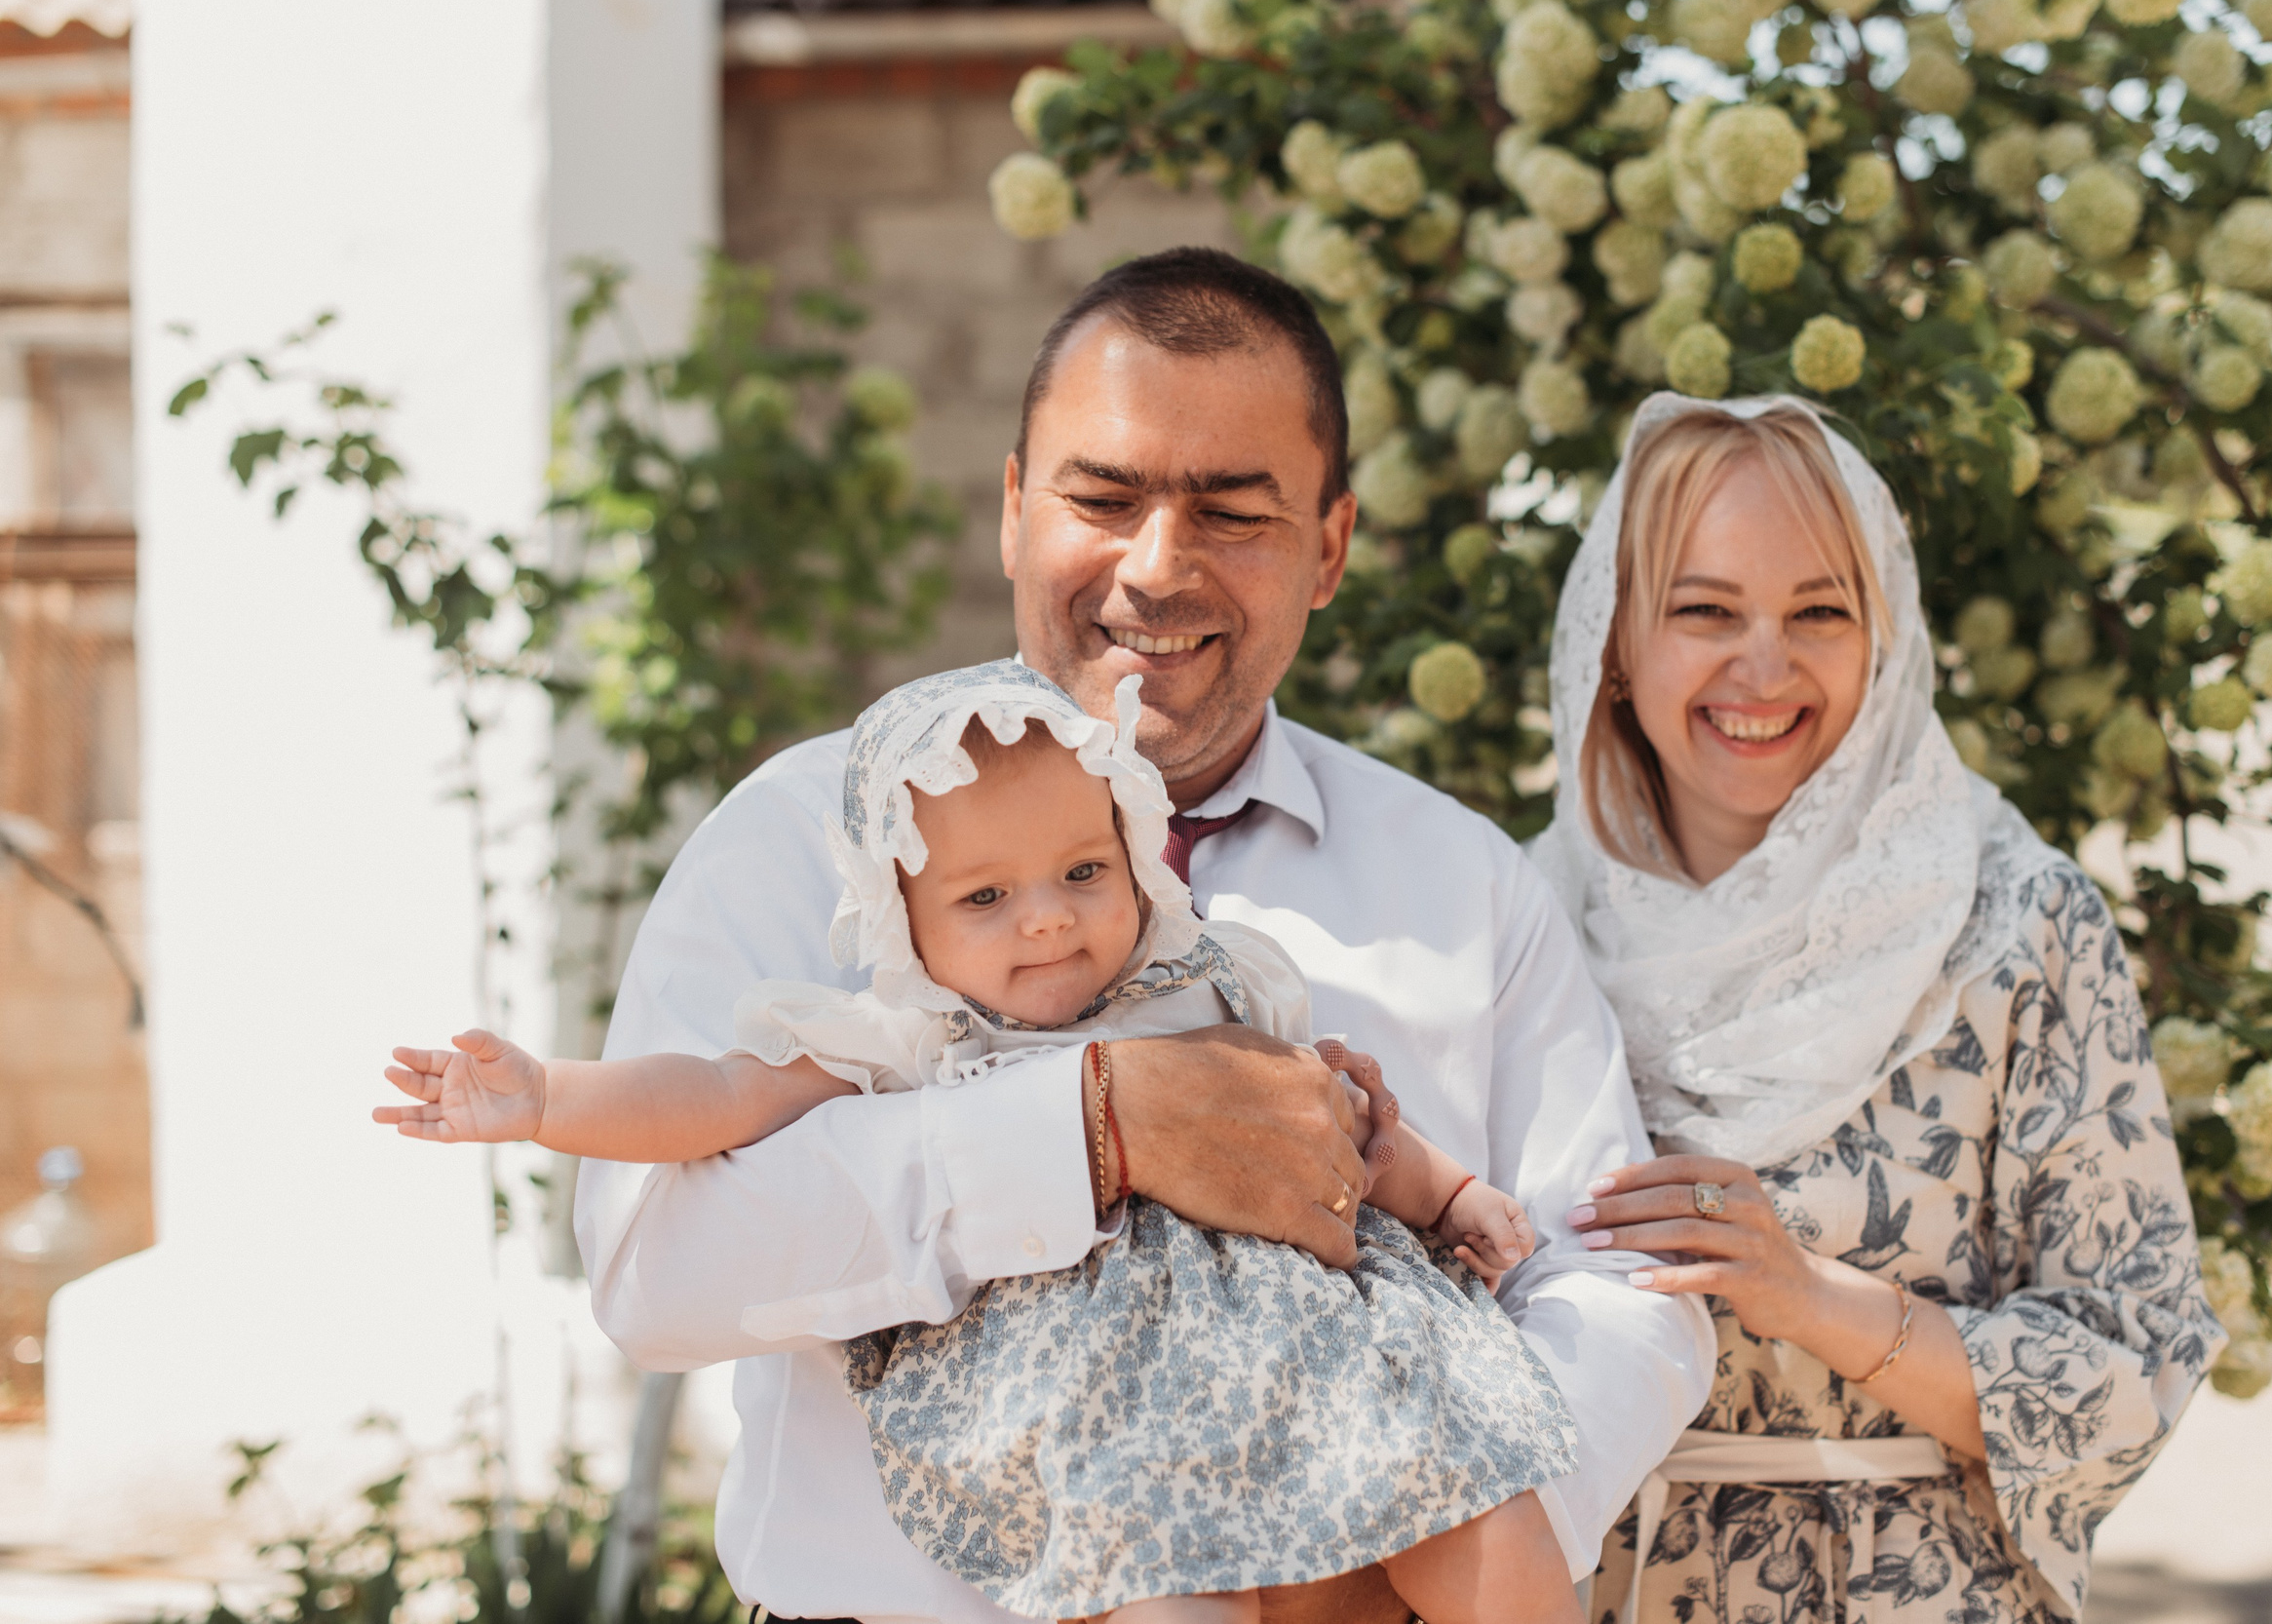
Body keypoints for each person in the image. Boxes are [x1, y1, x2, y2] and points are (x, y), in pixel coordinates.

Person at [570, 249, 1715, 1624]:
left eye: (1232, 512)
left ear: (1330, 547)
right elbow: (652, 1271)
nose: (1157, 567)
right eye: (1102, 499)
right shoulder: (802, 835)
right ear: (1014, 510)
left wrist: (1442, 1522)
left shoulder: (1460, 880)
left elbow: (1617, 1277)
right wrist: (1092, 1129)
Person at [377, 662, 1583, 1623]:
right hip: (1119, 1419)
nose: (1047, 917)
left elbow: (1332, 1120)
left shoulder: (1201, 982)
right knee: (1173, 1590)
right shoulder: (913, 1036)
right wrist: (546, 1095)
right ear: (904, 920)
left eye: (1082, 870)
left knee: (1486, 1516)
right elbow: (712, 1096)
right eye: (985, 897)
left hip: (1322, 1364)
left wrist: (1449, 1193)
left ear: (1135, 858)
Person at [1536, 396, 2223, 1623]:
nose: (1763, 667)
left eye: (1819, 611)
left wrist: (1810, 1294)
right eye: (1703, 610)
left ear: (1884, 636)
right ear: (1616, 641)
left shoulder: (2015, 924)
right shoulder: (1520, 922)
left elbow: (2134, 1362)